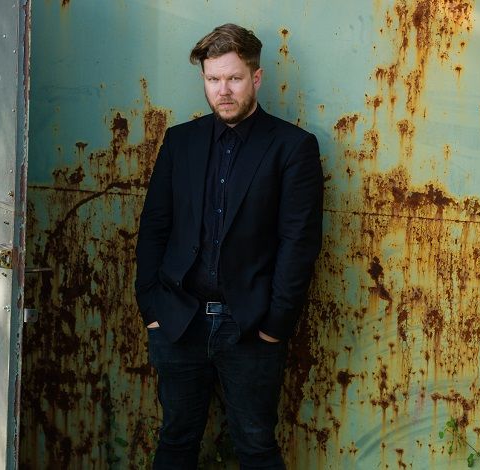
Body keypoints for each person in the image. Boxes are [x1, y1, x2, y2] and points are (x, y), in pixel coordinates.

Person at [135, 23, 323, 469]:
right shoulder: (180, 142)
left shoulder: (292, 148)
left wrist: (276, 324)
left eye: (234, 78)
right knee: (175, 441)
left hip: (251, 327)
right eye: (213, 79)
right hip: (178, 321)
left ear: (256, 78)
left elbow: (299, 243)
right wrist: (152, 308)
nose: (223, 90)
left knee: (256, 446)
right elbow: (154, 227)